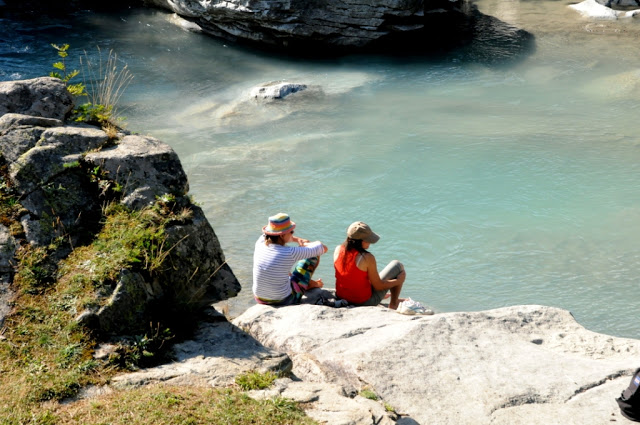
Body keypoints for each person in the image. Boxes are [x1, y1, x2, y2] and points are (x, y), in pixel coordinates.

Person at [253, 212, 328, 306]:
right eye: (291, 232)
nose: (293, 234)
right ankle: (307, 285)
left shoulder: (260, 242)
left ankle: (307, 284)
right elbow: (323, 248)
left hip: (259, 298)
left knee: (280, 269)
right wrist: (304, 245)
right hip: (284, 300)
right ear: (281, 235)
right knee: (312, 256)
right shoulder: (289, 252)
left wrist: (297, 240)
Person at [334, 221, 406, 309]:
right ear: (362, 241)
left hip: (341, 297)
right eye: (368, 240)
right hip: (363, 302)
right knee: (397, 265)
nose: (370, 243)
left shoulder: (338, 250)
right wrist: (398, 281)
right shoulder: (367, 257)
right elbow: (379, 286)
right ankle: (394, 303)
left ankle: (387, 298)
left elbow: (352, 277)